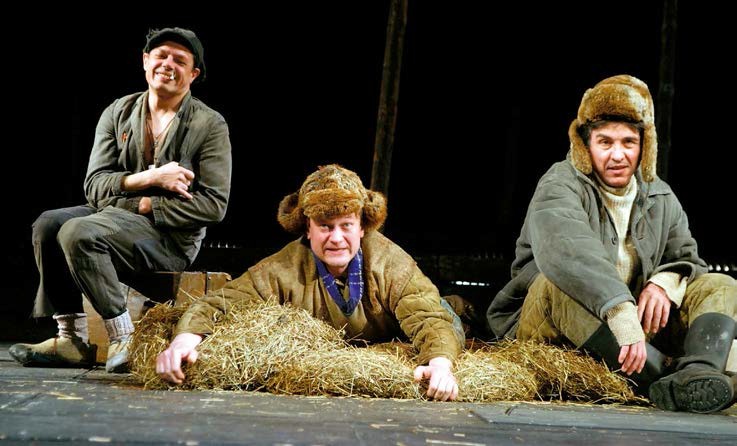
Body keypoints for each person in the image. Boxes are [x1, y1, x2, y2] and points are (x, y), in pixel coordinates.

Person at [486, 74, 737, 413]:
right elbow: (568, 253)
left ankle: (698, 373)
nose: (618, 155)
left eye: (628, 142)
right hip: (553, 323)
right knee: (554, 284)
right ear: (585, 146)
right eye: (605, 142)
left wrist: (663, 284)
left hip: (629, 332)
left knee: (720, 284)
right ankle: (664, 379)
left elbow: (687, 258)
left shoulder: (660, 195)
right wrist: (620, 310)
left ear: (644, 147)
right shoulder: (559, 184)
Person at [9, 27, 232, 373]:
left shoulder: (209, 124)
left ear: (193, 74)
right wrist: (150, 179)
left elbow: (213, 206)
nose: (168, 64)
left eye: (179, 60)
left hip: (168, 237)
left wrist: (145, 205)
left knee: (78, 232)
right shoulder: (119, 112)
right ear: (145, 61)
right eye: (160, 56)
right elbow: (95, 186)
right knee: (49, 224)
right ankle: (71, 339)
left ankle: (123, 336)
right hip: (111, 215)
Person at [156, 164, 464, 401]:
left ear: (362, 227)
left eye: (346, 225)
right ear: (307, 228)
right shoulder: (282, 268)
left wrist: (439, 365)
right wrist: (184, 341)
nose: (337, 238)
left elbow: (428, 319)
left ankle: (462, 305)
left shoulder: (390, 262)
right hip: (350, 353)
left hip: (408, 326)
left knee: (449, 317)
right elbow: (219, 303)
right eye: (325, 226)